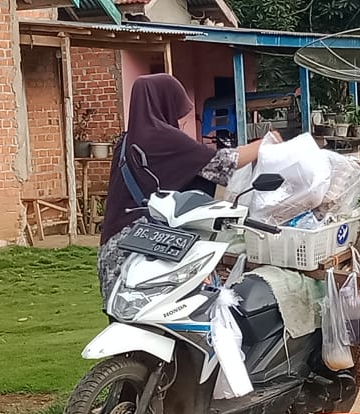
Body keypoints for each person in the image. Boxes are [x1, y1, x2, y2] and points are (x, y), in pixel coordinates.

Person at [97, 73, 276, 303]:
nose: (179, 121)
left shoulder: (126, 141)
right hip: (145, 250)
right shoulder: (161, 137)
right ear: (164, 103)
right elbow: (221, 164)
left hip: (112, 250)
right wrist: (264, 143)